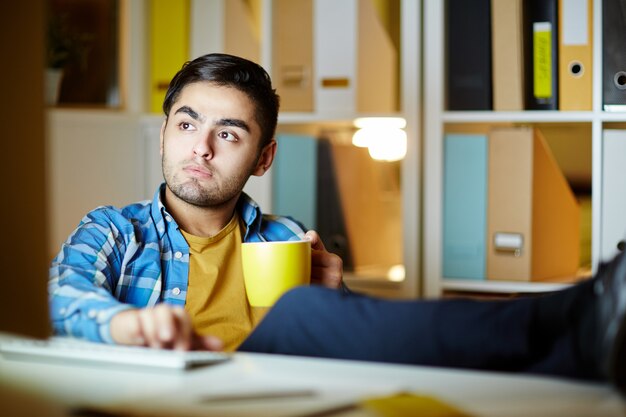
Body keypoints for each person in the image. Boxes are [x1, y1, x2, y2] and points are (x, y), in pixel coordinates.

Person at [49, 53, 626, 396]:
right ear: (166, 132)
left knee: (315, 313)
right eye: (186, 123)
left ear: (263, 158)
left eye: (228, 133)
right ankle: (584, 313)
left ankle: (584, 338)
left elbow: (365, 347)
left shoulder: (285, 237)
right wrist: (129, 326)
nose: (200, 148)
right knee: (303, 313)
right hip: (169, 392)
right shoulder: (115, 231)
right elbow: (59, 298)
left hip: (276, 396)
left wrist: (338, 298)